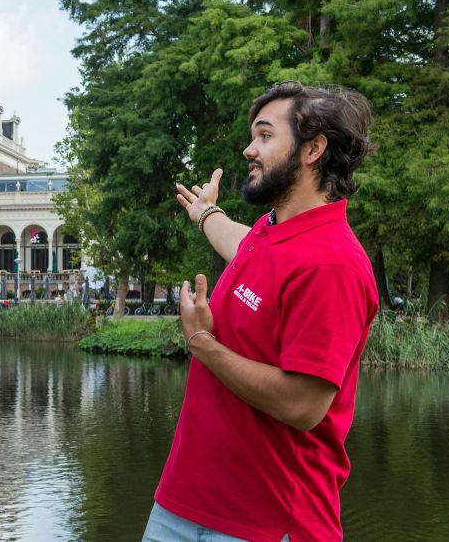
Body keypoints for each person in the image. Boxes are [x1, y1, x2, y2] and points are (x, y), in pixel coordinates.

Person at [145, 82, 378, 542]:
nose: (250, 149)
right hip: (181, 506)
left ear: (313, 149)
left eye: (266, 136)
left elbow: (303, 405)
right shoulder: (269, 234)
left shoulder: (332, 262)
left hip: (267, 525)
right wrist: (206, 212)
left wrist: (201, 344)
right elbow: (236, 240)